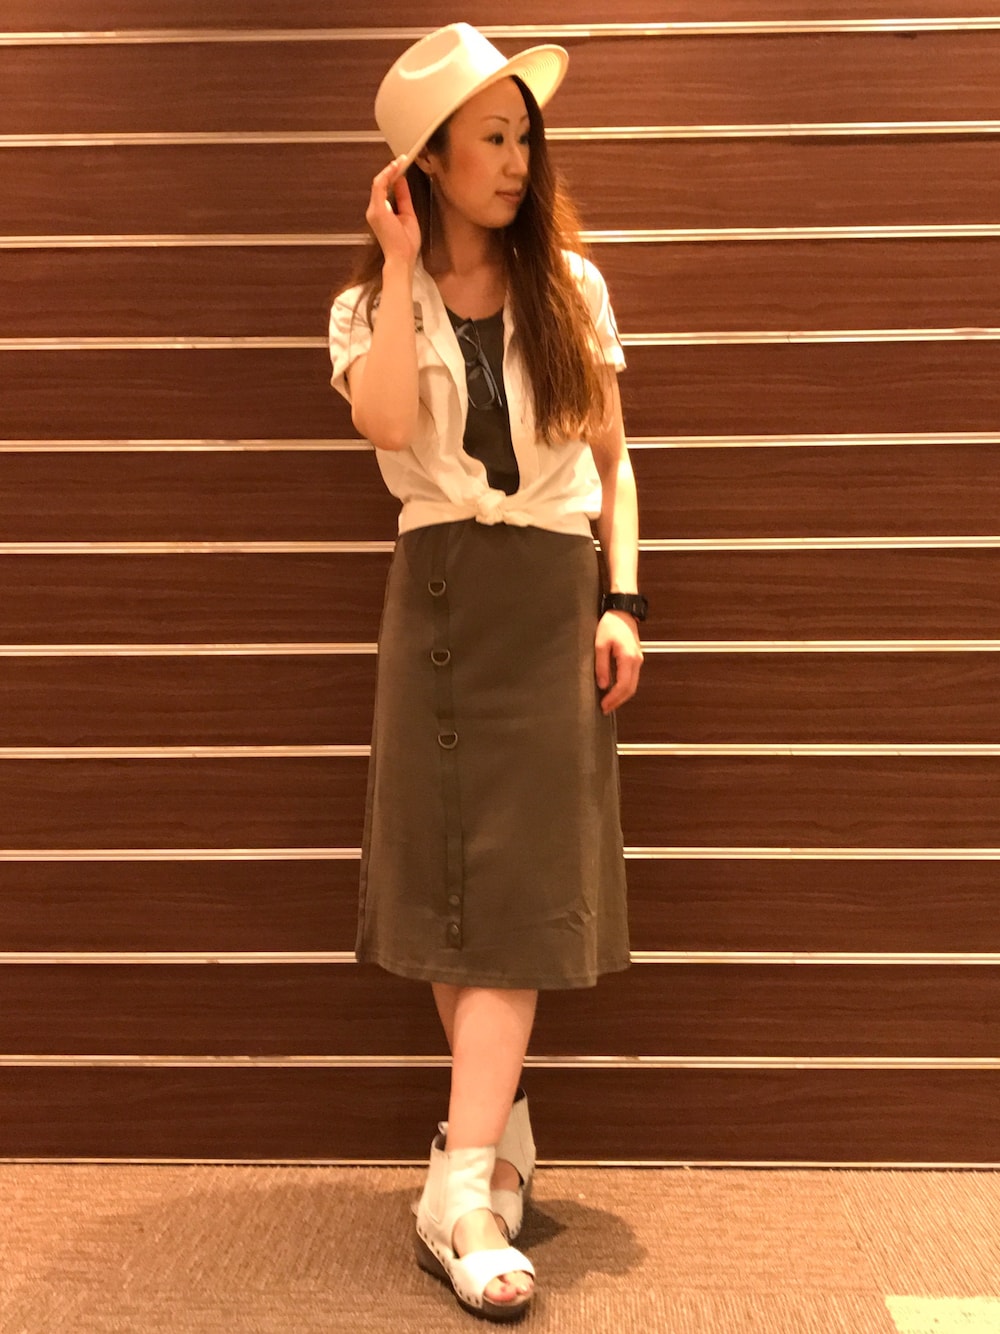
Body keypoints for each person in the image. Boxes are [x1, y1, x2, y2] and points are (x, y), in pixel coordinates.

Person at [328, 22, 646, 1323]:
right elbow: (387, 426)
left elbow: (615, 461)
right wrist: (404, 266)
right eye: (491, 138)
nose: (517, 160)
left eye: (525, 137)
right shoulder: (371, 306)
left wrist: (623, 599)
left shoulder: (571, 286)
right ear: (428, 162)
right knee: (453, 892)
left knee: (514, 897)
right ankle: (497, 1140)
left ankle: (458, 1196)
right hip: (438, 599)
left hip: (548, 600)